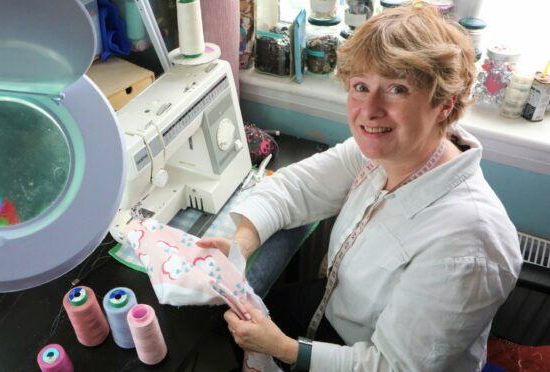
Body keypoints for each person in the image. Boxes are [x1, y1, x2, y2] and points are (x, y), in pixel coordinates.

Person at [197, 3, 522, 371]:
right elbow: (294, 187)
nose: (369, 109)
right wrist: (240, 246)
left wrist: (284, 348)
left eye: (397, 89)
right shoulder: (385, 153)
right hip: (335, 307)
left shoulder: (469, 244)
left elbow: (394, 366)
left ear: (444, 104)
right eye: (361, 87)